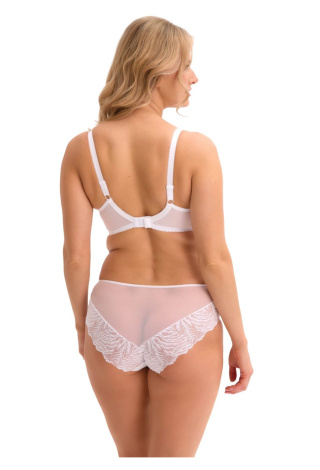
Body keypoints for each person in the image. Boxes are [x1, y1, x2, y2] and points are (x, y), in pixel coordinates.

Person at [60, 16, 253, 458]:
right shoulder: (195, 148)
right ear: (157, 70)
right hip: (184, 311)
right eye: (186, 65)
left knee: (132, 458)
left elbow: (75, 256)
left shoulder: (80, 149)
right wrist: (240, 340)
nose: (194, 77)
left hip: (111, 313)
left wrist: (82, 324)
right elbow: (214, 258)